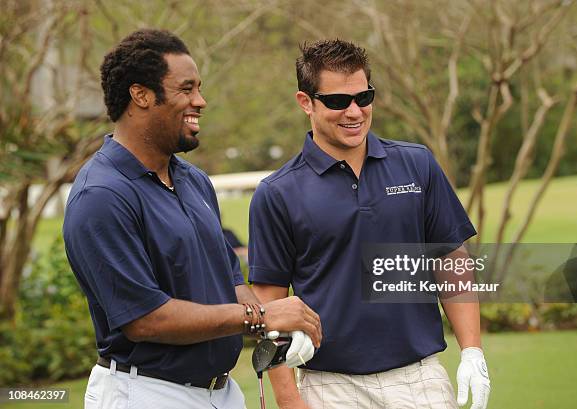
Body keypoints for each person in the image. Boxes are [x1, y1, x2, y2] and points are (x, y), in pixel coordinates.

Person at [63, 29, 321, 409]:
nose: (200, 101)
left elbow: (229, 280)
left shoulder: (193, 180)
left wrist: (274, 330)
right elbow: (146, 320)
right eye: (186, 89)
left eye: (199, 88)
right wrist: (261, 314)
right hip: (146, 392)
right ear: (141, 95)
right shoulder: (101, 196)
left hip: (222, 392)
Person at [248, 40, 490, 409]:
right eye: (337, 101)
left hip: (419, 378)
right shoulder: (276, 193)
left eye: (364, 97)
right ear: (305, 102)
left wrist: (472, 351)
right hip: (330, 387)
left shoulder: (417, 164)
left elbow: (449, 260)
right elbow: (271, 306)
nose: (354, 111)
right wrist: (288, 399)